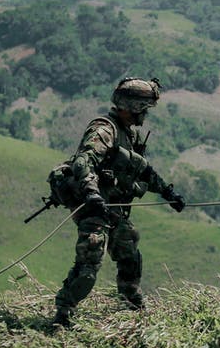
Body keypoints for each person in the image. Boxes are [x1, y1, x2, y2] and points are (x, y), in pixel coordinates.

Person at [52, 77, 186, 328]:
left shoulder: (128, 135)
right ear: (133, 106)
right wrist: (92, 193)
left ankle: (132, 304)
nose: (146, 114)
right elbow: (84, 161)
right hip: (94, 207)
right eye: (144, 108)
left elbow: (143, 170)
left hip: (114, 209)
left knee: (129, 255)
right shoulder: (105, 130)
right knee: (89, 264)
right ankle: (62, 314)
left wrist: (168, 193)